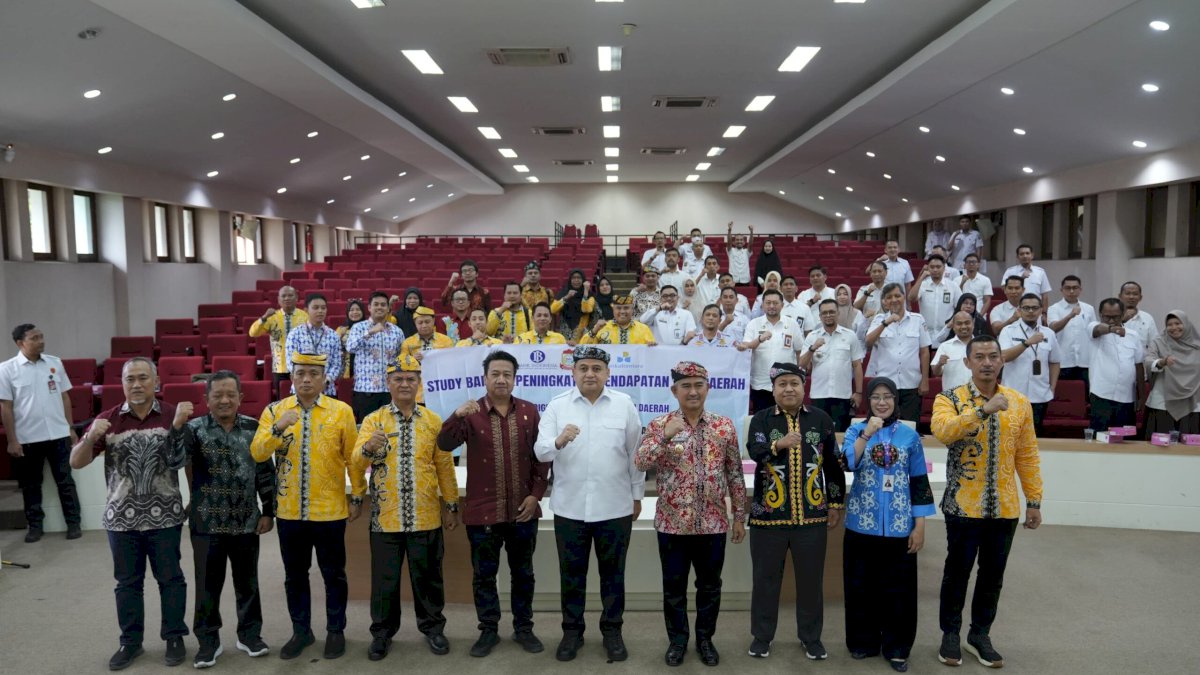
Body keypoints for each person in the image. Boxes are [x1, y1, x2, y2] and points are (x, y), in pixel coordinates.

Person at [68, 357, 190, 670]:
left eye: (142, 378)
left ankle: (174, 637)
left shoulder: (173, 416)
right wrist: (93, 435)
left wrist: (195, 499)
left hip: (165, 517)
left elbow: (188, 460)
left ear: (156, 381)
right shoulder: (107, 420)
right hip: (121, 519)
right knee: (127, 584)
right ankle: (130, 642)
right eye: (129, 379)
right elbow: (76, 462)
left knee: (170, 579)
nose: (136, 385)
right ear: (122, 384)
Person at [931, 335, 1043, 669]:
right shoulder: (949, 397)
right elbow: (943, 431)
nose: (987, 362)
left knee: (993, 575)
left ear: (1002, 360)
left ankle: (980, 634)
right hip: (963, 505)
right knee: (957, 572)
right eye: (979, 356)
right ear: (967, 362)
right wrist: (981, 411)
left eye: (993, 356)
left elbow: (1027, 454)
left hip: (1005, 507)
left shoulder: (1020, 403)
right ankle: (949, 633)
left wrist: (1034, 499)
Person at [250, 352, 365, 661]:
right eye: (300, 373)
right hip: (289, 511)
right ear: (292, 377)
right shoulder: (275, 411)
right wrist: (277, 429)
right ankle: (301, 631)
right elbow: (258, 454)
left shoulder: (341, 411)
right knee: (295, 575)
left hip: (329, 510)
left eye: (313, 374)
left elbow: (353, 459)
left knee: (333, 574)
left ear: (324, 378)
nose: (306, 379)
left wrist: (357, 496)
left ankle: (335, 630)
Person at [534, 346, 645, 663]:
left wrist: (637, 496)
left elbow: (635, 456)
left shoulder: (623, 405)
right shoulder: (558, 406)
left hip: (615, 507)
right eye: (583, 368)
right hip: (570, 509)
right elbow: (541, 452)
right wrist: (558, 440)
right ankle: (572, 632)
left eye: (597, 368)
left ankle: (613, 632)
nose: (590, 374)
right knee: (571, 575)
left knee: (614, 576)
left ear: (607, 373)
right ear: (574, 372)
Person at [437, 350, 549, 658]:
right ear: (484, 378)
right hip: (482, 511)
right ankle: (488, 630)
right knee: (484, 575)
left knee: (523, 573)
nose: (501, 379)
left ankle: (523, 628)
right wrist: (455, 415)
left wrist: (535, 495)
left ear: (515, 379)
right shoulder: (470, 412)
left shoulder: (529, 412)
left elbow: (541, 460)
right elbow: (444, 444)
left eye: (507, 374)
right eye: (495, 374)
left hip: (523, 511)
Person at [635, 361, 747, 667]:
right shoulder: (660, 425)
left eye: (699, 385)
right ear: (674, 390)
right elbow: (641, 461)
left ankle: (705, 640)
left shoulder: (723, 427)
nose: (693, 391)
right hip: (673, 525)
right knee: (673, 588)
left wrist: (739, 517)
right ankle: (678, 642)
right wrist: (665, 438)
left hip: (713, 524)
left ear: (707, 389)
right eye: (686, 386)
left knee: (710, 587)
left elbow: (735, 475)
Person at [352, 353, 459, 661]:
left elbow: (444, 467)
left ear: (418, 384)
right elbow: (356, 463)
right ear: (388, 383)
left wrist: (451, 504)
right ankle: (382, 634)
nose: (404, 384)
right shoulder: (374, 420)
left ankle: (434, 629)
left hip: (425, 515)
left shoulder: (433, 420)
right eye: (398, 378)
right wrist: (368, 447)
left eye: (410, 379)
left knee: (428, 578)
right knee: (384, 581)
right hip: (385, 518)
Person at [174, 371, 275, 668]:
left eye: (231, 394)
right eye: (217, 395)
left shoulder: (254, 428)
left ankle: (250, 635)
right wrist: (177, 426)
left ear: (241, 398)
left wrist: (268, 510)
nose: (224, 400)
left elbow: (265, 472)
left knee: (248, 583)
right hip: (206, 523)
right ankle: (208, 641)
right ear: (206, 400)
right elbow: (175, 460)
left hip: (246, 521)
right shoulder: (193, 429)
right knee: (207, 584)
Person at [745, 362, 845, 661]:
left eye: (794, 383)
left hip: (812, 518)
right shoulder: (761, 419)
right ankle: (762, 637)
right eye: (782, 384)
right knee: (765, 581)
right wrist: (779, 444)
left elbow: (833, 466)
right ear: (773, 389)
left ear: (804, 387)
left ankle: (811, 638)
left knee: (811, 581)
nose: (788, 389)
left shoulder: (821, 419)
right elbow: (755, 451)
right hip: (768, 518)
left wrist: (835, 503)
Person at [840, 377, 936, 672]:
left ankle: (897, 646)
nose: (882, 402)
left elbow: (919, 482)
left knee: (898, 590)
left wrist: (919, 526)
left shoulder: (909, 436)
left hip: (898, 524)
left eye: (888, 397)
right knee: (860, 586)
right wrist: (866, 434)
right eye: (876, 397)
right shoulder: (856, 430)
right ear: (868, 401)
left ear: (896, 400)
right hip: (861, 523)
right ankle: (863, 641)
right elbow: (848, 463)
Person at [0, 323, 81, 543]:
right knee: (31, 486)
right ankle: (35, 526)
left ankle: (74, 523)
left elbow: (65, 398)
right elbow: (6, 407)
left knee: (65, 481)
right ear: (20, 343)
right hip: (27, 438)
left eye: (41, 336)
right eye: (34, 338)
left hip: (58, 434)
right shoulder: (6, 369)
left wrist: (70, 428)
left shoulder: (54, 363)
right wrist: (12, 440)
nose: (41, 341)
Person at [865, 283, 931, 422]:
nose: (894, 299)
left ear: (904, 297)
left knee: (910, 426)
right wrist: (886, 322)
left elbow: (924, 351)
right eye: (889, 297)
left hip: (911, 383)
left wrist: (924, 379)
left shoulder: (917, 319)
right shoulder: (879, 319)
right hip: (885, 384)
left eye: (897, 295)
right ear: (884, 301)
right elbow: (868, 342)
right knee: (883, 426)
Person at [998, 294, 1060, 434]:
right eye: (1026, 308)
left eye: (1034, 308)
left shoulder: (1048, 333)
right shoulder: (1008, 331)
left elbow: (1055, 362)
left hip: (1040, 394)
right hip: (1013, 394)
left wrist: (1053, 386)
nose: (1031, 311)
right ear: (1019, 310)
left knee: (1035, 437)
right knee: (1011, 435)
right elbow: (1004, 356)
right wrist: (1026, 343)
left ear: (1041, 310)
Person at [799, 299, 865, 432]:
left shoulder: (850, 335)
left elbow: (857, 365)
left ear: (838, 313)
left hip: (842, 395)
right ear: (820, 316)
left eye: (831, 312)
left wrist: (858, 392)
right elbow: (801, 364)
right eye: (824, 313)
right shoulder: (812, 337)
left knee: (840, 435)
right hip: (819, 395)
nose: (828, 315)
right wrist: (812, 348)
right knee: (818, 434)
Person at [345, 292, 405, 422]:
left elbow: (401, 357)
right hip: (366, 391)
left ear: (388, 308)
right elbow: (350, 347)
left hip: (390, 391)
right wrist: (370, 333)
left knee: (390, 432)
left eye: (383, 305)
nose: (379, 307)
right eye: (376, 304)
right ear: (369, 308)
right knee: (366, 433)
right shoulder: (359, 327)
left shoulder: (397, 331)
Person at [741, 290, 804, 412]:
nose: (771, 306)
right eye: (768, 303)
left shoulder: (792, 324)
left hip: (786, 385)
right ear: (762, 305)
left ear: (782, 305)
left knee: (787, 421)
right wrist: (759, 339)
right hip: (761, 383)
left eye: (775, 303)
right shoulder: (753, 324)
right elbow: (746, 346)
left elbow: (799, 351)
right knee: (762, 422)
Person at [1088, 298, 1145, 431]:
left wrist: (1141, 396)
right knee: (1100, 437)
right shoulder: (1093, 328)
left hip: (1126, 396)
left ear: (1123, 314)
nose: (1112, 320)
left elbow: (1139, 366)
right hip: (1101, 394)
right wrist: (1112, 329)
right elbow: (1098, 329)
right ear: (1100, 314)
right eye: (1107, 317)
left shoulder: (1133, 335)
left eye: (1116, 317)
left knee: (1125, 439)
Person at [1145, 311, 1200, 434]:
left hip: (1191, 400)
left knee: (1188, 444)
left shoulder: (1197, 344)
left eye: (1178, 323)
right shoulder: (1159, 341)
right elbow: (1148, 361)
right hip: (1163, 401)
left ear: (1186, 324)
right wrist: (1162, 362)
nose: (1174, 327)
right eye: (1169, 324)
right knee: (1161, 444)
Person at [249, 286, 309, 396]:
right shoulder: (272, 317)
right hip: (279, 367)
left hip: (301, 365)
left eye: (290, 295)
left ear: (296, 298)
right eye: (284, 296)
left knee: (301, 398)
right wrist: (264, 317)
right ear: (278, 299)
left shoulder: (305, 316)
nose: (287, 298)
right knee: (282, 400)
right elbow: (253, 333)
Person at [284, 293, 343, 396]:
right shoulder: (295, 334)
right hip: (301, 389)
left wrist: (326, 381)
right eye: (316, 308)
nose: (320, 311)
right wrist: (306, 380)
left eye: (323, 308)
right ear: (306, 310)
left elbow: (336, 364)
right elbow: (290, 363)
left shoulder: (333, 335)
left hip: (326, 390)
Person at [1047, 275, 1096, 383]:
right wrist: (1070, 315)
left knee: (1084, 397)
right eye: (1068, 288)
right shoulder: (1054, 308)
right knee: (1066, 396)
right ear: (1062, 290)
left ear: (1080, 289)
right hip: (1063, 362)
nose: (1071, 291)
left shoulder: (1088, 309)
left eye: (1075, 288)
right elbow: (1053, 328)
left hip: (1085, 362)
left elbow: (1092, 333)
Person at [909, 254, 961, 347]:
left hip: (947, 333)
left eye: (938, 267)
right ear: (928, 268)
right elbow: (911, 298)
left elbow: (960, 308)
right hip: (925, 333)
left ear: (944, 268)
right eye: (932, 267)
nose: (935, 269)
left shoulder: (953, 286)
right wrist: (921, 278)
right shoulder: (923, 284)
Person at [933, 312, 977, 392]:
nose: (963, 326)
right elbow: (936, 372)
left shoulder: (981, 346)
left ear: (973, 323)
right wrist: (939, 364)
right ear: (953, 326)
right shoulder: (945, 346)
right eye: (959, 324)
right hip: (952, 398)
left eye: (967, 323)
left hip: (977, 396)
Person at [582, 296, 655, 345]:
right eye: (618, 308)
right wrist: (594, 330)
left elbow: (652, 354)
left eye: (626, 308)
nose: (622, 311)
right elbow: (583, 347)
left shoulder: (643, 329)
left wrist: (651, 347)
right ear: (613, 310)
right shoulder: (601, 327)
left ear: (632, 310)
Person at [1001, 245, 1051, 314]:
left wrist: (1044, 313)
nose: (1025, 256)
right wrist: (1021, 278)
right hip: (1015, 310)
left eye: (1027, 253)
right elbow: (1004, 288)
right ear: (1017, 257)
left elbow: (1045, 295)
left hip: (1035, 310)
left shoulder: (1040, 272)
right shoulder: (1010, 271)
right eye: (1022, 254)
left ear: (1032, 255)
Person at [552, 269, 595, 342]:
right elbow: (553, 309)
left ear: (583, 280)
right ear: (570, 280)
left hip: (583, 334)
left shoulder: (590, 295)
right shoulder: (563, 293)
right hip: (565, 333)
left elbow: (586, 309)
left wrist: (585, 293)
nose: (576, 280)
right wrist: (566, 297)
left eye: (579, 278)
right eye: (574, 278)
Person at [1119, 281, 1159, 350]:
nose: (1131, 297)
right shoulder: (1112, 316)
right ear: (1120, 296)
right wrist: (1122, 320)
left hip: (1141, 360)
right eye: (1127, 293)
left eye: (1135, 294)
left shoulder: (1147, 318)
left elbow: (1154, 344)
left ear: (1140, 298)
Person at [338, 299, 367, 380]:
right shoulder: (341, 329)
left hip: (364, 369)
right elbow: (333, 349)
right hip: (346, 370)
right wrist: (340, 336)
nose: (355, 312)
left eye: (358, 309)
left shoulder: (369, 329)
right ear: (347, 313)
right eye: (351, 310)